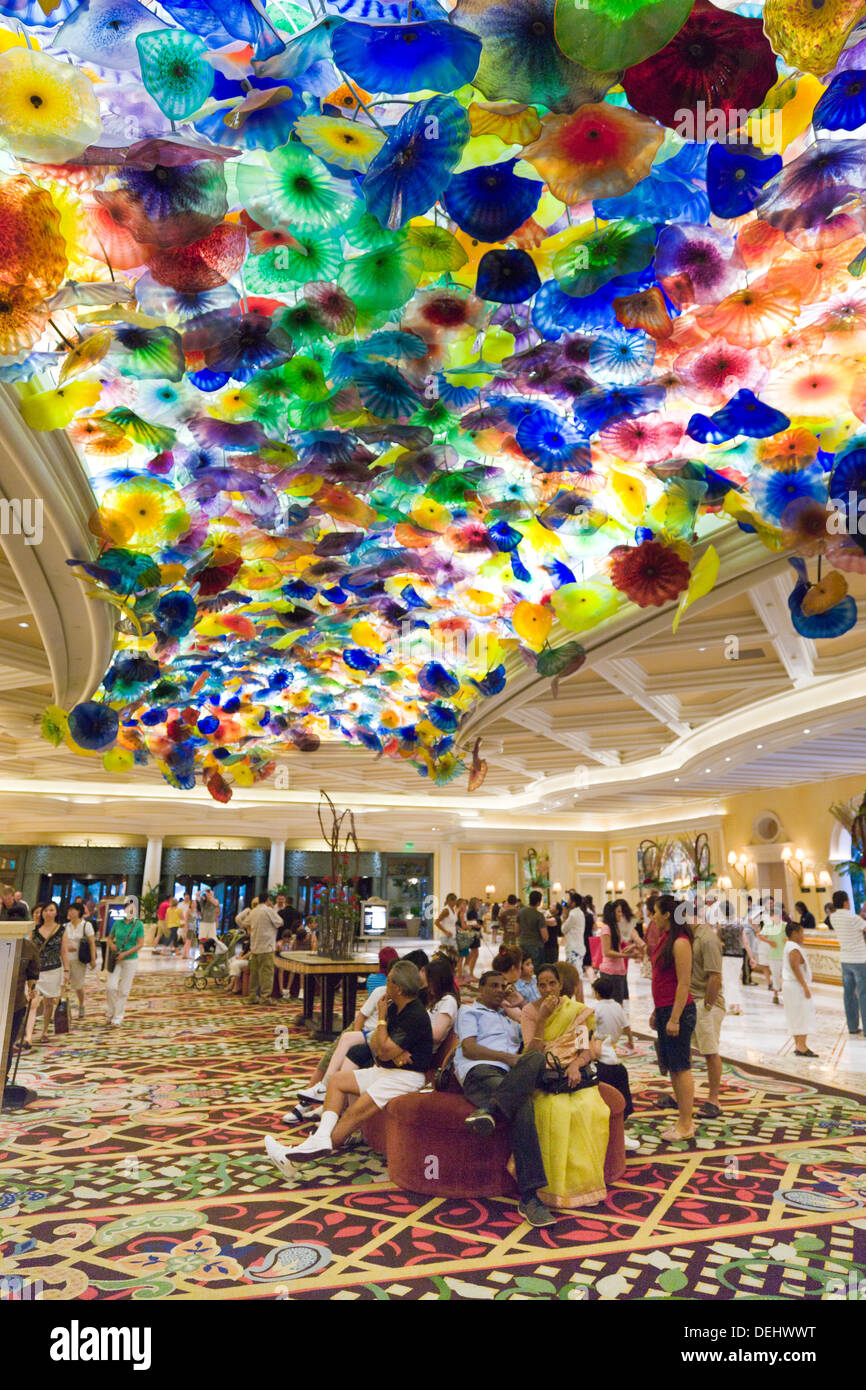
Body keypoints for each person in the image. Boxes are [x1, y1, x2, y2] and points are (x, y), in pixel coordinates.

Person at [265, 960, 433, 1168]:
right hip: (387, 1069)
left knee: (354, 1114)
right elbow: (376, 1045)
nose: (385, 984)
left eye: (388, 980)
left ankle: (295, 1164)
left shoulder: (414, 1014)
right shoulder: (395, 1007)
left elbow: (384, 1050)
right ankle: (319, 1138)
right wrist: (388, 1049)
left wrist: (381, 1022)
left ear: (398, 988)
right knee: (336, 1081)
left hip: (405, 1078)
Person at [453, 971, 555, 1227]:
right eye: (494, 986)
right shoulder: (469, 1012)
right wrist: (509, 1059)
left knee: (537, 1058)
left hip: (510, 1077)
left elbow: (530, 1053)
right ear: (481, 989)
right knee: (523, 1105)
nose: (500, 990)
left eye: (503, 986)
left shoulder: (510, 1020)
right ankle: (530, 1197)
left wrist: (522, 1006)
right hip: (481, 1071)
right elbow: (469, 1048)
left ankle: (490, 1108)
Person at [518, 964, 611, 1209]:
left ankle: (583, 1187)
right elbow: (531, 1052)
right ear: (536, 987)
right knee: (555, 1112)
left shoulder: (576, 1011)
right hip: (544, 1074)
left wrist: (575, 1066)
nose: (547, 989)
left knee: (591, 1109)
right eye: (542, 984)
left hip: (574, 1074)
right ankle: (552, 1188)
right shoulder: (530, 1011)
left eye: (552, 983)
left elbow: (585, 1050)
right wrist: (542, 1020)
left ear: (560, 985)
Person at [649, 894, 696, 1141]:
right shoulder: (667, 939)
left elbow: (683, 983)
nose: (652, 917)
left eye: (655, 912)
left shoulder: (680, 942)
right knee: (674, 1068)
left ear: (667, 914)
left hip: (679, 1010)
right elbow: (663, 981)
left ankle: (686, 1123)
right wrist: (658, 1011)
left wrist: (675, 1017)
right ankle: (683, 1118)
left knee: (681, 1067)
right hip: (666, 1009)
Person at [590, 977, 639, 1148]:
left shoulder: (596, 1008)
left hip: (600, 1052)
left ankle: (611, 1134)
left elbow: (589, 1030)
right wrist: (631, 1040)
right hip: (613, 1055)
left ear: (596, 993)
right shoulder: (618, 1006)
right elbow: (627, 1026)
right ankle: (618, 1132)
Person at [691, 907, 726, 1119]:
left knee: (709, 1051)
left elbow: (715, 976)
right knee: (685, 1049)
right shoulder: (692, 937)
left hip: (706, 1003)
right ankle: (683, 1094)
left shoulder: (707, 939)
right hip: (692, 1000)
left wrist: (706, 1005)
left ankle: (714, 1099)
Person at [24, 903, 68, 1045]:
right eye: (46, 910)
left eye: (52, 910)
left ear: (56, 912)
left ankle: (44, 1030)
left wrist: (66, 971)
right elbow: (28, 949)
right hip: (36, 971)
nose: (48, 913)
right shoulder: (35, 930)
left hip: (53, 970)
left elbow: (64, 952)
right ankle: (28, 1036)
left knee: (49, 1003)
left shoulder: (62, 930)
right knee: (32, 1002)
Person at [596, 902, 637, 1052]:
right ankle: (607, 1037)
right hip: (610, 972)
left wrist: (631, 947)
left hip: (619, 972)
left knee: (618, 1008)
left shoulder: (615, 928)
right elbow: (607, 952)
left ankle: (618, 1037)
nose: (621, 915)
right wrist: (628, 955)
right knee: (609, 1007)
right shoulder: (606, 928)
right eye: (618, 912)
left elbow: (618, 948)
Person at [828, 889, 866, 1036]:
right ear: (845, 902)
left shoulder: (833, 917)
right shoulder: (852, 918)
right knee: (863, 994)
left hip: (845, 959)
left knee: (849, 994)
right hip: (860, 959)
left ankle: (852, 1026)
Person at [236, 893, 282, 1005]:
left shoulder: (253, 912)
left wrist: (246, 912)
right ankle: (265, 997)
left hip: (255, 947)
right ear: (267, 900)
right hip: (267, 947)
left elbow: (240, 922)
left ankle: (252, 996)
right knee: (266, 974)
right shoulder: (269, 910)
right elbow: (280, 922)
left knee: (254, 974)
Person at [105, 901, 144, 1027]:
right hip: (116, 959)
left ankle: (117, 1017)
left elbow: (140, 944)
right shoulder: (118, 923)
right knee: (110, 987)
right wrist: (112, 945)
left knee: (124, 990)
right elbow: (109, 938)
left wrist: (125, 954)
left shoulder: (138, 925)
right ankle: (110, 1012)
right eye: (128, 909)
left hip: (130, 960)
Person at [783, 921, 818, 1056]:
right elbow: (795, 966)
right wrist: (805, 986)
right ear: (794, 933)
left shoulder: (789, 945)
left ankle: (799, 1044)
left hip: (790, 986)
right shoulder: (793, 948)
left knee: (795, 1015)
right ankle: (802, 1046)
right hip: (795, 986)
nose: (803, 936)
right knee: (802, 1014)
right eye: (801, 933)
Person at [65, 901, 96, 1021]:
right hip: (66, 959)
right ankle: (63, 1010)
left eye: (72, 910)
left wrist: (93, 959)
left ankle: (82, 1004)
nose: (70, 913)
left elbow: (92, 943)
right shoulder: (65, 926)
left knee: (78, 985)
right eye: (69, 910)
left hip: (79, 959)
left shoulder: (86, 925)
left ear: (79, 912)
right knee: (63, 985)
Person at [756, 899, 785, 1005]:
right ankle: (775, 994)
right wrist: (769, 941)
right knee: (776, 974)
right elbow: (759, 935)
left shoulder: (784, 925)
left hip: (783, 954)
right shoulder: (768, 926)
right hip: (773, 955)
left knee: (784, 975)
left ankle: (785, 993)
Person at [517, 890, 548, 974]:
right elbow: (544, 936)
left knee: (523, 968)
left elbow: (516, 931)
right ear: (539, 902)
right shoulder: (539, 915)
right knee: (535, 970)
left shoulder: (520, 912)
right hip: (535, 945)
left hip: (522, 943)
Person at [562, 892, 586, 971]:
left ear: (573, 903)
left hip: (573, 948)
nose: (567, 902)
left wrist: (565, 915)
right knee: (577, 971)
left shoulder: (573, 914)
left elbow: (563, 929)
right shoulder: (580, 912)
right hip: (579, 946)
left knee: (573, 973)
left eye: (569, 900)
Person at [465, 897, 483, 981]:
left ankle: (469, 973)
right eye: (478, 903)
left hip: (473, 934)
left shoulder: (472, 912)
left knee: (474, 954)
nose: (479, 904)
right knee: (474, 954)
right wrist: (480, 926)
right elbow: (472, 923)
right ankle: (469, 974)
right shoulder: (472, 912)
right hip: (472, 934)